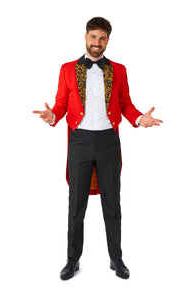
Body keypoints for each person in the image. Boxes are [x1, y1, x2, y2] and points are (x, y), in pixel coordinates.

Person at [33, 17, 163, 280]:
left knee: (112, 204)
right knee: (76, 206)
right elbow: (60, 104)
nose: (97, 43)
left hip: (108, 141)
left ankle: (116, 259)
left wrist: (140, 118)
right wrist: (52, 116)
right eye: (93, 37)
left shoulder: (119, 69)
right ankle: (72, 260)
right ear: (85, 36)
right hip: (79, 141)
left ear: (108, 41)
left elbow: (125, 104)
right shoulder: (67, 69)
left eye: (102, 38)